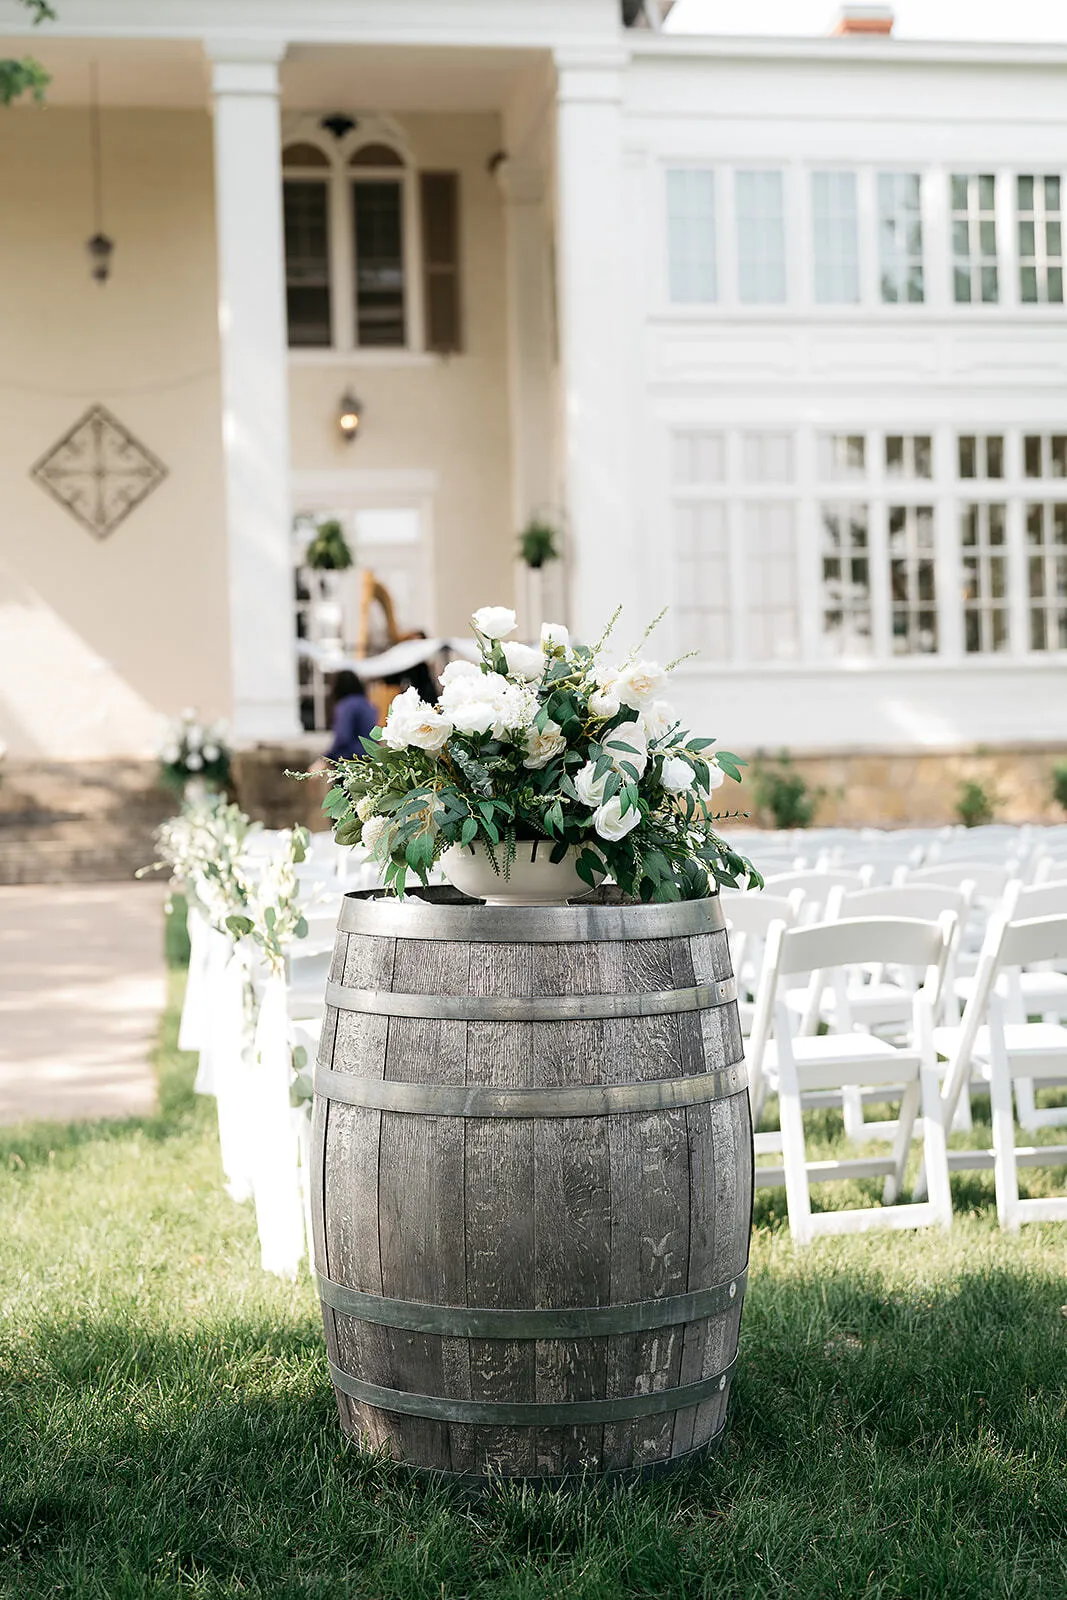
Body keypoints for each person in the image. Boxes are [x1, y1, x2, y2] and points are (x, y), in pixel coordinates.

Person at [323, 670, 378, 761]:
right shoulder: (368, 704)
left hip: (351, 758)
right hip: (370, 755)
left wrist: (327, 758)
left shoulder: (346, 705)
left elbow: (342, 737)